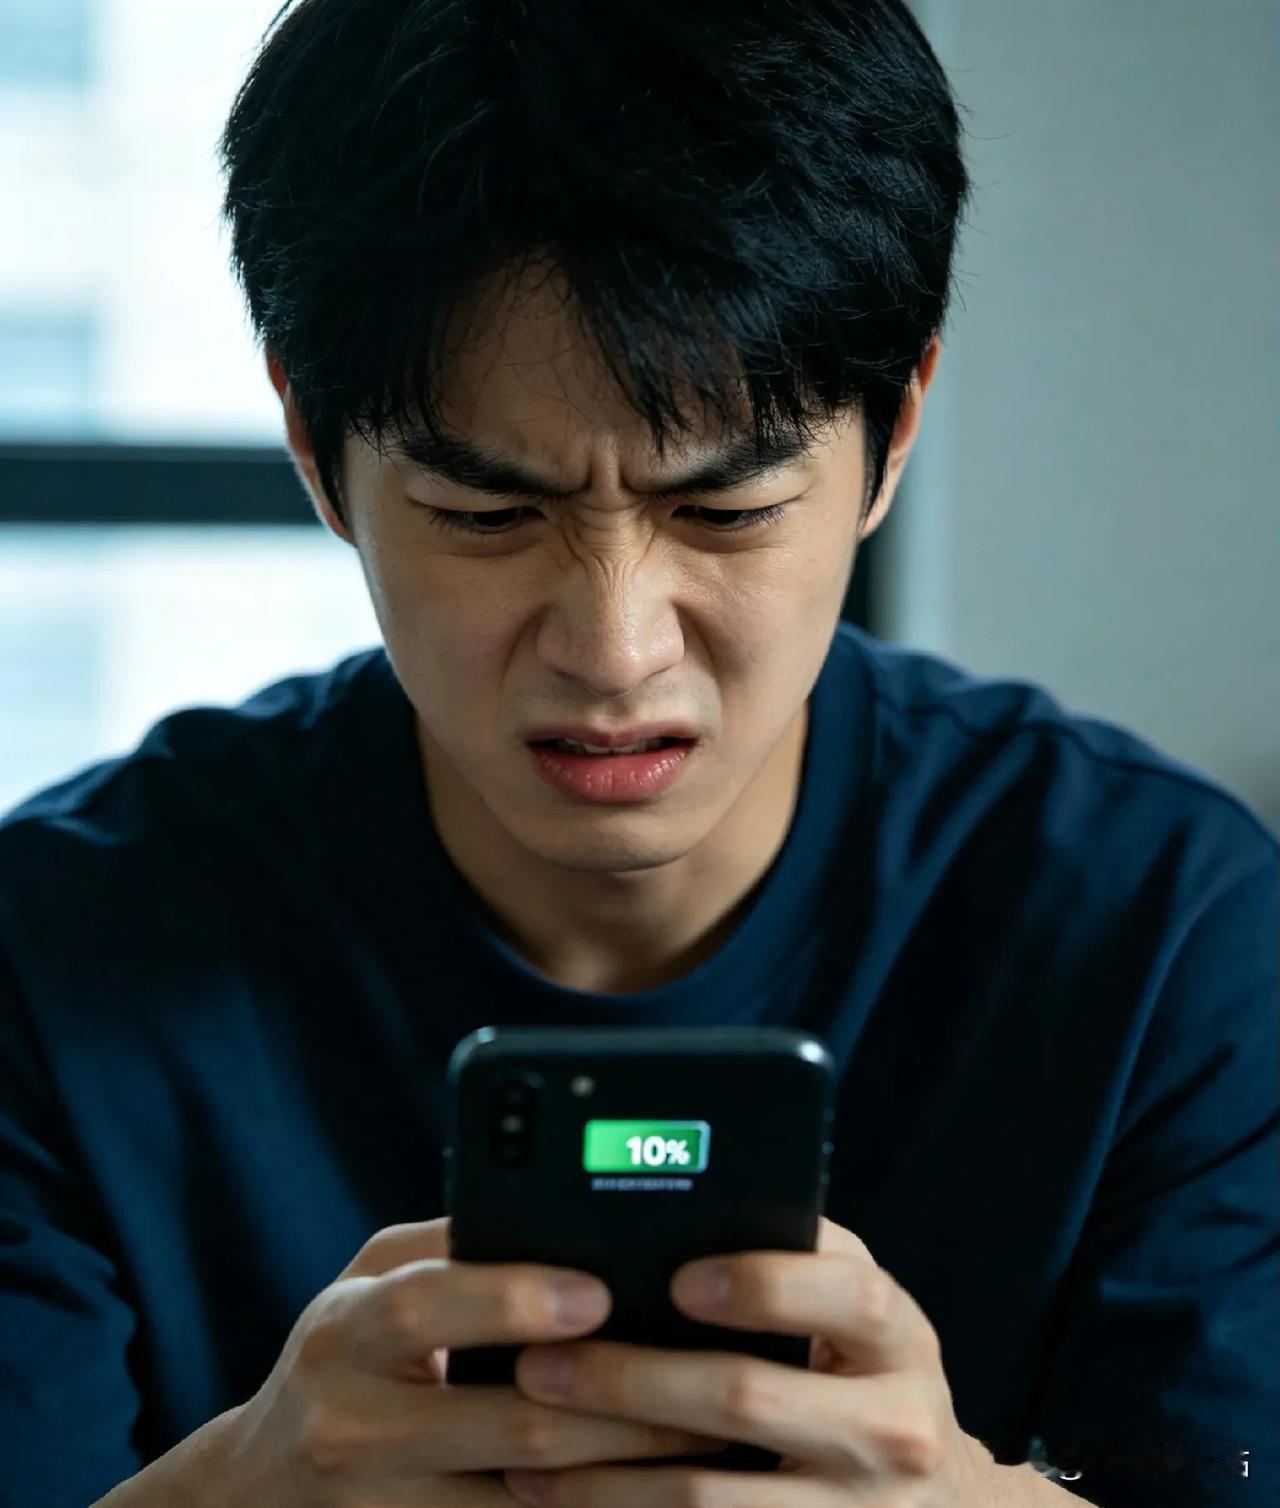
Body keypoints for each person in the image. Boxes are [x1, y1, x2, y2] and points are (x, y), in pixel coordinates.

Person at [1, 2, 1275, 1505]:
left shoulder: (1171, 937)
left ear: (895, 431)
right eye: (487, 515)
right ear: (313, 447)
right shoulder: (52, 957)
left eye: (726, 512)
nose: (615, 653)